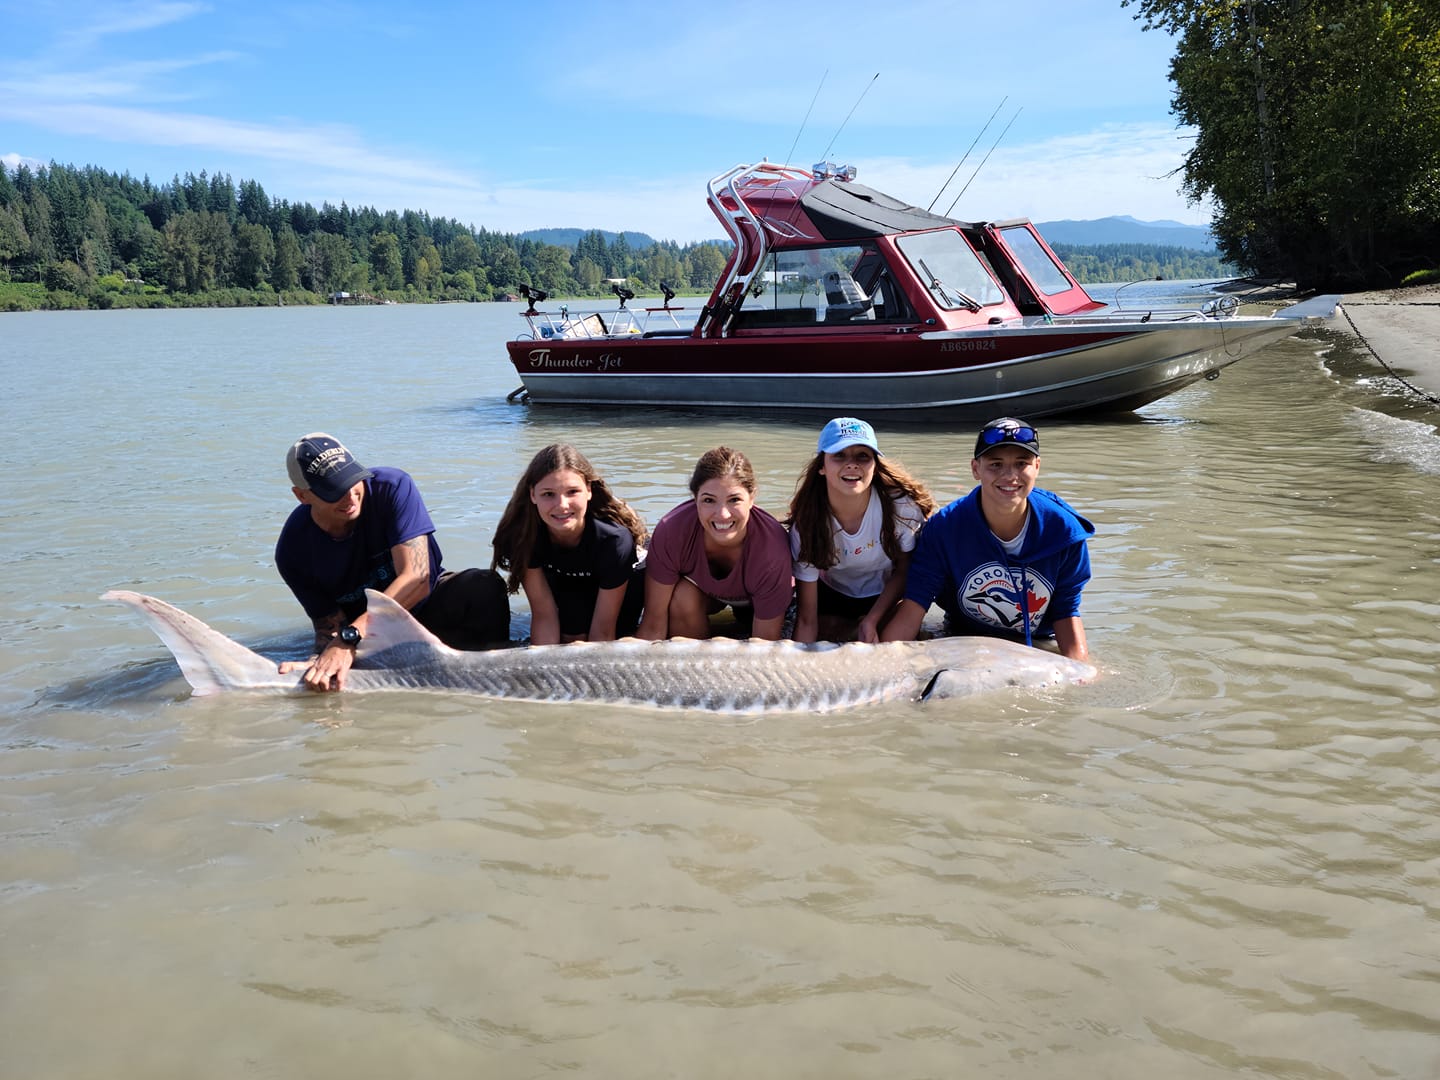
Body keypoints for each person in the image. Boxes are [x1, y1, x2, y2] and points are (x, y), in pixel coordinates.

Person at [275, 433, 510, 691]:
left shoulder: (393, 486)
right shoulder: (292, 550)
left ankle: (497, 680)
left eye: (352, 480)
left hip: (422, 608)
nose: (350, 496)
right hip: (371, 640)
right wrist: (322, 658)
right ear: (302, 496)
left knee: (484, 586)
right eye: (333, 491)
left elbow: (418, 578)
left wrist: (349, 637)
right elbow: (328, 625)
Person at [882, 417, 1093, 661]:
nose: (1010, 475)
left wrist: (1080, 671)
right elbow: (915, 604)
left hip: (1037, 644)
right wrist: (883, 662)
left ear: (1036, 466)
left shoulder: (1064, 531)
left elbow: (1066, 611)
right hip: (963, 637)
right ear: (975, 469)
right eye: (995, 464)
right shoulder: (943, 529)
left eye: (1021, 463)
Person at [787, 417, 936, 643]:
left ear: (875, 466)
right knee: (825, 636)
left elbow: (905, 570)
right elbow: (807, 619)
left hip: (885, 592)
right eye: (839, 455)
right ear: (821, 467)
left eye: (862, 456)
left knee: (890, 639)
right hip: (833, 592)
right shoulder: (807, 524)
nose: (852, 464)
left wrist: (872, 620)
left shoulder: (901, 507)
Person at [490, 443, 647, 644]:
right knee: (568, 637)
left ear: (589, 490)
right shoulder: (522, 536)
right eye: (549, 494)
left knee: (597, 637)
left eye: (572, 491)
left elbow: (603, 631)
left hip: (625, 582)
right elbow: (543, 615)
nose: (562, 505)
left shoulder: (613, 541)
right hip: (567, 578)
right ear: (532, 495)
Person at [637, 446, 793, 641]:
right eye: (709, 500)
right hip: (708, 596)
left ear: (752, 498)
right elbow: (653, 626)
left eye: (734, 499)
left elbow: (765, 645)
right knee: (682, 597)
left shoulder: (772, 551)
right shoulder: (671, 532)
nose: (722, 515)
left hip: (764, 605)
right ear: (694, 498)